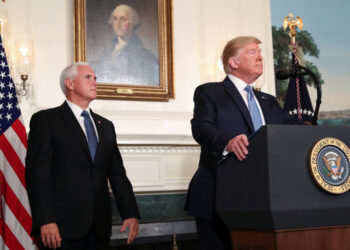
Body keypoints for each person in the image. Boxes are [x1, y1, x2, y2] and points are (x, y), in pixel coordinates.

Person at [185, 36, 302, 250]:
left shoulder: (268, 101)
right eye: (251, 52)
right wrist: (227, 142)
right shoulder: (210, 93)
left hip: (263, 200)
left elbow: (292, 129)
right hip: (218, 197)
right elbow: (201, 127)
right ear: (234, 63)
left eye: (260, 52)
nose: (260, 56)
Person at [25, 62, 140, 250]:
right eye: (88, 77)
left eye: (95, 78)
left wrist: (130, 213)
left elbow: (118, 175)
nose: (95, 82)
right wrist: (45, 220)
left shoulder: (106, 126)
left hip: (99, 228)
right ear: (69, 84)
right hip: (61, 228)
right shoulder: (46, 121)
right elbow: (37, 176)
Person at [94, 4, 159, 86]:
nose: (118, 24)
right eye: (115, 19)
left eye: (123, 19)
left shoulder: (146, 56)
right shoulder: (108, 52)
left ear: (132, 23)